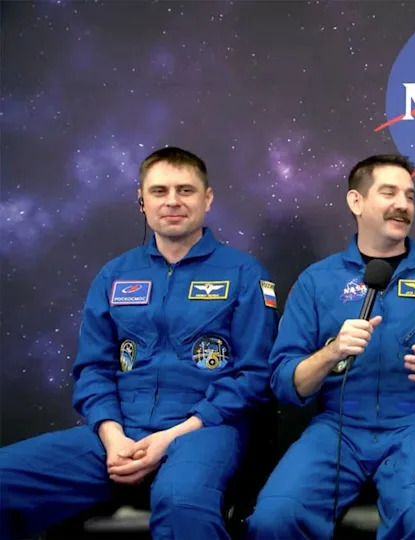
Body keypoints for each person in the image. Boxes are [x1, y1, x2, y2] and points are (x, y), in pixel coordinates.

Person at [0, 147, 279, 539]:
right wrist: (113, 436)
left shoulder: (244, 273)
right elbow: (93, 369)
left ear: (207, 198)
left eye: (185, 190)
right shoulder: (115, 275)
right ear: (142, 200)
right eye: (159, 191)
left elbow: (254, 375)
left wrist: (170, 438)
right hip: (119, 433)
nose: (172, 201)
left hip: (205, 429)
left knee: (182, 504)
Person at [246, 154, 415, 539]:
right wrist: (331, 352)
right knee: (274, 519)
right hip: (338, 426)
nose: (403, 204)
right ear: (356, 201)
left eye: (410, 196)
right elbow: (284, 381)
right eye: (389, 193)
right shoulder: (317, 281)